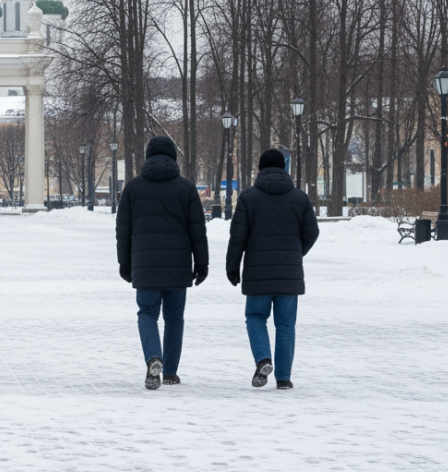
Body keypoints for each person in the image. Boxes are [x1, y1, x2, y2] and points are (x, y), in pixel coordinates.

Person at [116, 135, 208, 390]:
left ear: (148, 157)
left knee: (147, 313)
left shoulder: (133, 188)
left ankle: (153, 357)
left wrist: (125, 264)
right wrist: (202, 265)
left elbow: (123, 231)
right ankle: (169, 371)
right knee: (175, 317)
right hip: (178, 265)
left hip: (145, 264)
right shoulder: (186, 188)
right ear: (173, 158)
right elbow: (197, 231)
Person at [226, 149, 319, 391]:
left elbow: (238, 236)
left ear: (260, 169)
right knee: (286, 325)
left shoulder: (248, 197)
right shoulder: (300, 198)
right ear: (284, 169)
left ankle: (263, 359)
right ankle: (284, 378)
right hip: (289, 274)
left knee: (255, 317)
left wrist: (232, 266)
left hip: (257, 273)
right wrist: (296, 254)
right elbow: (312, 232)